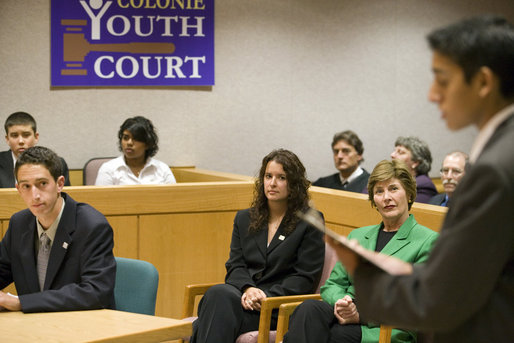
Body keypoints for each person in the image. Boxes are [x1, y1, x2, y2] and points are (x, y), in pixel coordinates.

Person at [326, 15, 514, 342]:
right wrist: (412, 274)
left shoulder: (494, 169)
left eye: (441, 80)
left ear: (483, 82)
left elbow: (442, 301)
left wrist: (365, 276)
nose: (431, 94)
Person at [284, 160, 438, 343]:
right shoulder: (358, 235)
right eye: (379, 191)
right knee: (308, 309)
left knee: (327, 335)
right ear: (374, 200)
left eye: (393, 189)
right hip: (345, 314)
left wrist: (360, 315)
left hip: (386, 330)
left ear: (410, 194)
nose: (386, 197)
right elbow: (332, 284)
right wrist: (342, 303)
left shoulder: (428, 240)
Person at [191, 149, 325, 343]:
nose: (272, 183)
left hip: (275, 307)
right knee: (219, 293)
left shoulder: (309, 221)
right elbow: (235, 265)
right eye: (268, 176)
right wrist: (247, 289)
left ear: (294, 184)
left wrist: (264, 296)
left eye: (281, 178)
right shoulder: (245, 218)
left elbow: (304, 277)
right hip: (242, 299)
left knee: (211, 316)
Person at [0, 146, 116, 312]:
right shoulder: (19, 223)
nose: (35, 195)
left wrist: (21, 302)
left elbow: (95, 292)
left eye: (42, 184)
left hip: (84, 327)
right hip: (35, 328)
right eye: (26, 186)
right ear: (18, 189)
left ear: (60, 183)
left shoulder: (92, 226)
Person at [95, 116, 176, 185]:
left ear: (147, 144)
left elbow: (175, 199)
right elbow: (100, 201)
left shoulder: (162, 169)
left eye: (136, 139)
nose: (129, 143)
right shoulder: (108, 169)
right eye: (125, 138)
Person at [0, 112, 70, 188]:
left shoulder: (57, 163)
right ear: (7, 139)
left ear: (36, 137)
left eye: (26, 135)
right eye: (14, 136)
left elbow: (64, 196)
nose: (20, 141)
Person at [390, 136, 437, 203]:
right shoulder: (391, 177)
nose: (392, 155)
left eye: (400, 152)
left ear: (415, 162)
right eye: (394, 151)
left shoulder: (423, 186)